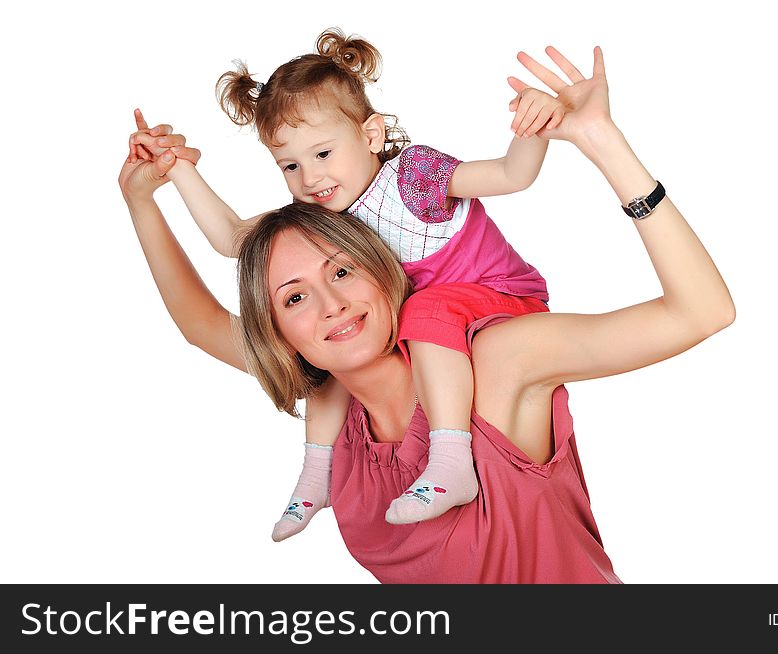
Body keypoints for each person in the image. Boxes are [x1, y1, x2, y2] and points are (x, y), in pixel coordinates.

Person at [119, 45, 734, 583]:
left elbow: (702, 312)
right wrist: (147, 195)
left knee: (437, 310)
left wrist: (602, 142)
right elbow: (201, 318)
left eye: (340, 272)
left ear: (386, 272)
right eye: (295, 297)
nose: (329, 304)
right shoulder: (335, 410)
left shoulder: (496, 359)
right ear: (280, 330)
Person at [128, 28, 568, 540]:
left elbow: (512, 175)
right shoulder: (325, 216)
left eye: (322, 154)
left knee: (424, 312)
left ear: (371, 136)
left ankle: (451, 461)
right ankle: (319, 474)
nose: (309, 178)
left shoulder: (412, 179)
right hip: (434, 324)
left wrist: (534, 124)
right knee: (327, 359)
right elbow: (231, 239)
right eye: (289, 165)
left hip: (499, 299)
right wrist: (177, 170)